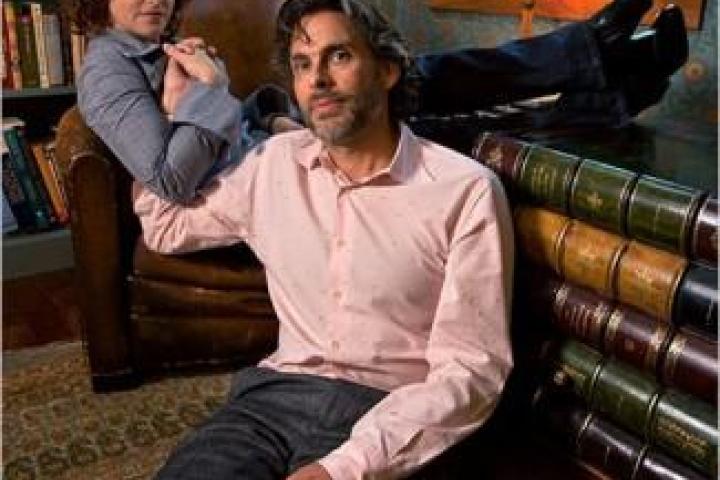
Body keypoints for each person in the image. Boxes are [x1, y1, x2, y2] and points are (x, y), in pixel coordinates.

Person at [135, 0, 515, 478]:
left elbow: (471, 370)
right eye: (302, 64)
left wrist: (344, 469)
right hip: (270, 402)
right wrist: (182, 111)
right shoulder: (273, 164)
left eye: (339, 56)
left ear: (387, 70)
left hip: (388, 413)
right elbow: (165, 225)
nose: (317, 80)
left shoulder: (464, 191)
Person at [68, 0, 687, 205]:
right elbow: (172, 178)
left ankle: (601, 57)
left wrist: (262, 111)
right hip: (268, 173)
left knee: (415, 79)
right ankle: (607, 76)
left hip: (274, 134)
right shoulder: (104, 70)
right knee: (448, 133)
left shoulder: (155, 44)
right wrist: (208, 91)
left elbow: (215, 122)